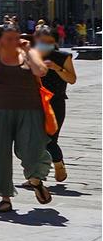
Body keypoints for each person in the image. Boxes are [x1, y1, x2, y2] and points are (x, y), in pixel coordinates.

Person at [0, 23, 54, 212]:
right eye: (9, 38)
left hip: (30, 110)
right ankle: (5, 198)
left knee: (32, 150)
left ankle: (35, 180)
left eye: (16, 37)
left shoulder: (29, 53)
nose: (14, 42)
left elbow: (41, 71)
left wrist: (27, 51)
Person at [32, 23, 77, 186]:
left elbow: (72, 79)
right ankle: (35, 176)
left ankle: (58, 163)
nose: (44, 44)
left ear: (55, 42)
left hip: (55, 103)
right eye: (41, 41)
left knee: (49, 139)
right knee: (33, 140)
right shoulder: (30, 55)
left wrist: (58, 68)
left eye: (48, 42)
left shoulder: (62, 57)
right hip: (33, 102)